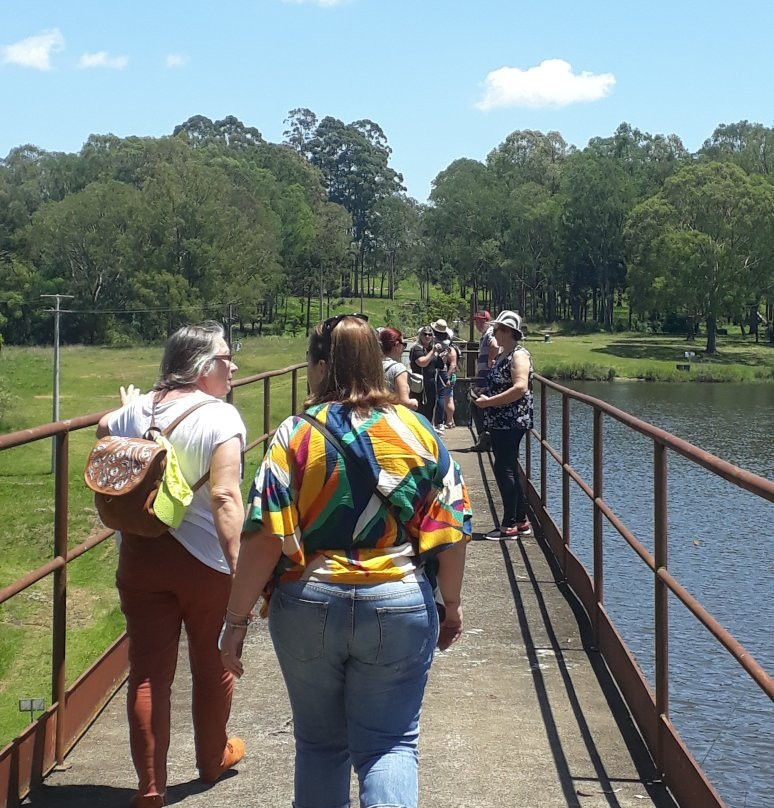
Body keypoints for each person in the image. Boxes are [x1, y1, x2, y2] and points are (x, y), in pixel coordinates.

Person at [220, 315, 471, 808]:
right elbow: (453, 521)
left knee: (319, 744)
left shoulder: (294, 435)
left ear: (321, 368)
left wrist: (234, 621)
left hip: (309, 601)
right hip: (399, 599)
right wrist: (453, 604)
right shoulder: (418, 430)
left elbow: (265, 533)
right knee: (391, 744)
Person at [96, 322, 247, 808]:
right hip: (204, 564)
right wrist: (242, 568)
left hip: (141, 557)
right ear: (204, 369)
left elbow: (103, 433)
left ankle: (150, 787)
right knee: (212, 663)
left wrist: (128, 409)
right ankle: (211, 760)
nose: (233, 368)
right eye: (226, 360)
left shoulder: (131, 411)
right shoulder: (222, 418)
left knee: (147, 672)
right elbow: (225, 496)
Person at [473, 310, 534, 540]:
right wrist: (485, 393)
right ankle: (520, 521)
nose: (493, 332)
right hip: (502, 420)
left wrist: (489, 401)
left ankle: (509, 526)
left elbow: (519, 387)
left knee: (504, 468)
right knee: (507, 467)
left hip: (511, 420)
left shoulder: (518, 355)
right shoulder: (504, 353)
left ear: (507, 332)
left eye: (497, 329)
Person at [470, 310, 499, 451]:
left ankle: (485, 440)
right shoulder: (485, 335)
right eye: (477, 321)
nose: (478, 323)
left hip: (487, 378)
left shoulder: (490, 333)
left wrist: (490, 360)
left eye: (481, 321)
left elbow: (494, 346)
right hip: (483, 377)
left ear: (487, 321)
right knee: (478, 406)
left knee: (479, 406)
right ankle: (485, 439)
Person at [409, 325, 443, 422]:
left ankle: (428, 427)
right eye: (425, 334)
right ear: (420, 335)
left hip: (431, 384)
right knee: (419, 409)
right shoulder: (416, 349)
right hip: (419, 385)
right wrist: (433, 351)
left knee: (430, 408)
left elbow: (438, 365)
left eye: (430, 334)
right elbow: (422, 363)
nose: (427, 336)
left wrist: (444, 355)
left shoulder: (431, 349)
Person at [379, 326, 418, 410]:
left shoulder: (374, 365)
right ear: (396, 345)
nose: (404, 348)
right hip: (393, 415)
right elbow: (404, 402)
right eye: (404, 344)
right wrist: (414, 403)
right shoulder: (398, 368)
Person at [430, 318, 453, 433]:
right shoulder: (447, 342)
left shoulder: (434, 341)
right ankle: (441, 422)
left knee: (435, 396)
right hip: (443, 368)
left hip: (435, 368)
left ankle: (435, 422)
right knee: (442, 396)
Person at [444, 338, 460, 428]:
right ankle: (451, 420)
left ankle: (449, 421)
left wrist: (447, 377)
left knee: (448, 399)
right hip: (449, 377)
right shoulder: (450, 348)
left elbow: (453, 365)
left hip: (449, 377)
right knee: (448, 398)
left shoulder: (451, 349)